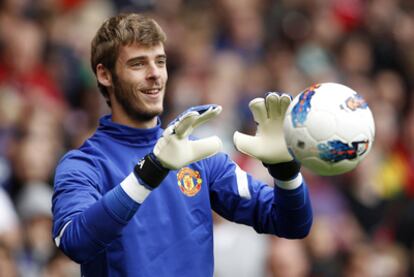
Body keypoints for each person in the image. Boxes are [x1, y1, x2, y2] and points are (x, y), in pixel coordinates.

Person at [51, 13, 313, 276]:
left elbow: (292, 223)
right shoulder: (84, 164)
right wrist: (149, 173)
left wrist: (286, 173)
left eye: (160, 61)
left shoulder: (197, 155)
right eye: (138, 64)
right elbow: (74, 242)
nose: (154, 74)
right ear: (105, 74)